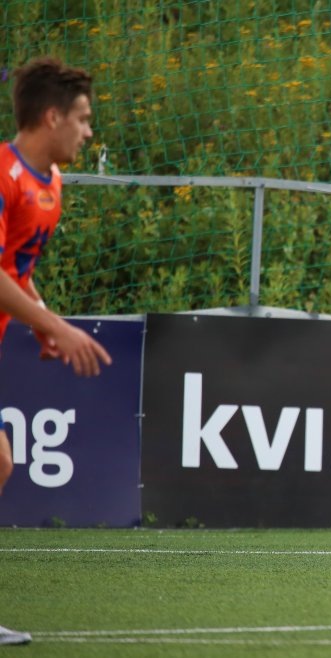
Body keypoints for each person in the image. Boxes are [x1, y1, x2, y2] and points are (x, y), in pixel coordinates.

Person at [0, 57, 112, 645]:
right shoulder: (2, 175)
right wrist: (56, 328)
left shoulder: (51, 185)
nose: (89, 132)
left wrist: (42, 321)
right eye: (83, 119)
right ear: (51, 117)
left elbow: (14, 270)